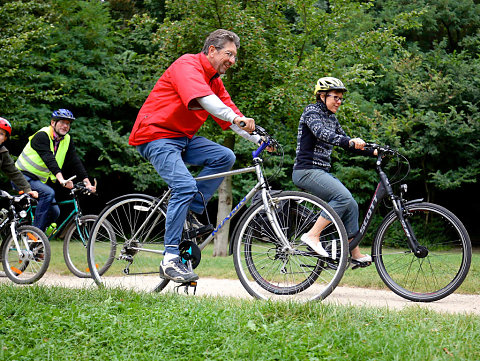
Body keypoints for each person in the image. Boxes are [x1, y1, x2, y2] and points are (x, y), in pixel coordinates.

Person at [129, 29, 261, 283]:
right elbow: (208, 103)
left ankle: (190, 211)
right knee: (185, 185)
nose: (232, 61)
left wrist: (260, 139)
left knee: (224, 156)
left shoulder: (215, 81)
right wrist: (235, 117)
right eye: (228, 54)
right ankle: (169, 260)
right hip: (155, 135)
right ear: (211, 50)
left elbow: (234, 116)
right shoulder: (187, 65)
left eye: (235, 56)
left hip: (182, 138)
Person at [292, 77, 375, 264]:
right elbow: (322, 133)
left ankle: (353, 252)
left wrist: (374, 150)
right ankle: (312, 235)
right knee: (343, 198)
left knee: (351, 204)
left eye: (340, 99)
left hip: (320, 172)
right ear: (322, 96)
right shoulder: (311, 112)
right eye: (335, 97)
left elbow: (347, 142)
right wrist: (349, 141)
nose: (339, 102)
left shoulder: (332, 118)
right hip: (306, 170)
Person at [15, 109, 96, 231]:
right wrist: (61, 180)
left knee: (54, 212)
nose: (65, 126)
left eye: (68, 124)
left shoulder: (67, 140)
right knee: (48, 193)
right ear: (53, 123)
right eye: (62, 122)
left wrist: (87, 182)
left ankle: (37, 242)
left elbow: (75, 161)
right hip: (21, 177)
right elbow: (49, 159)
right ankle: (34, 234)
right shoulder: (42, 135)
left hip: (37, 180)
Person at [0, 117, 38, 199]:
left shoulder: (2, 152)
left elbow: (14, 172)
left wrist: (27, 189)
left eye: (1, 134)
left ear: (5, 138)